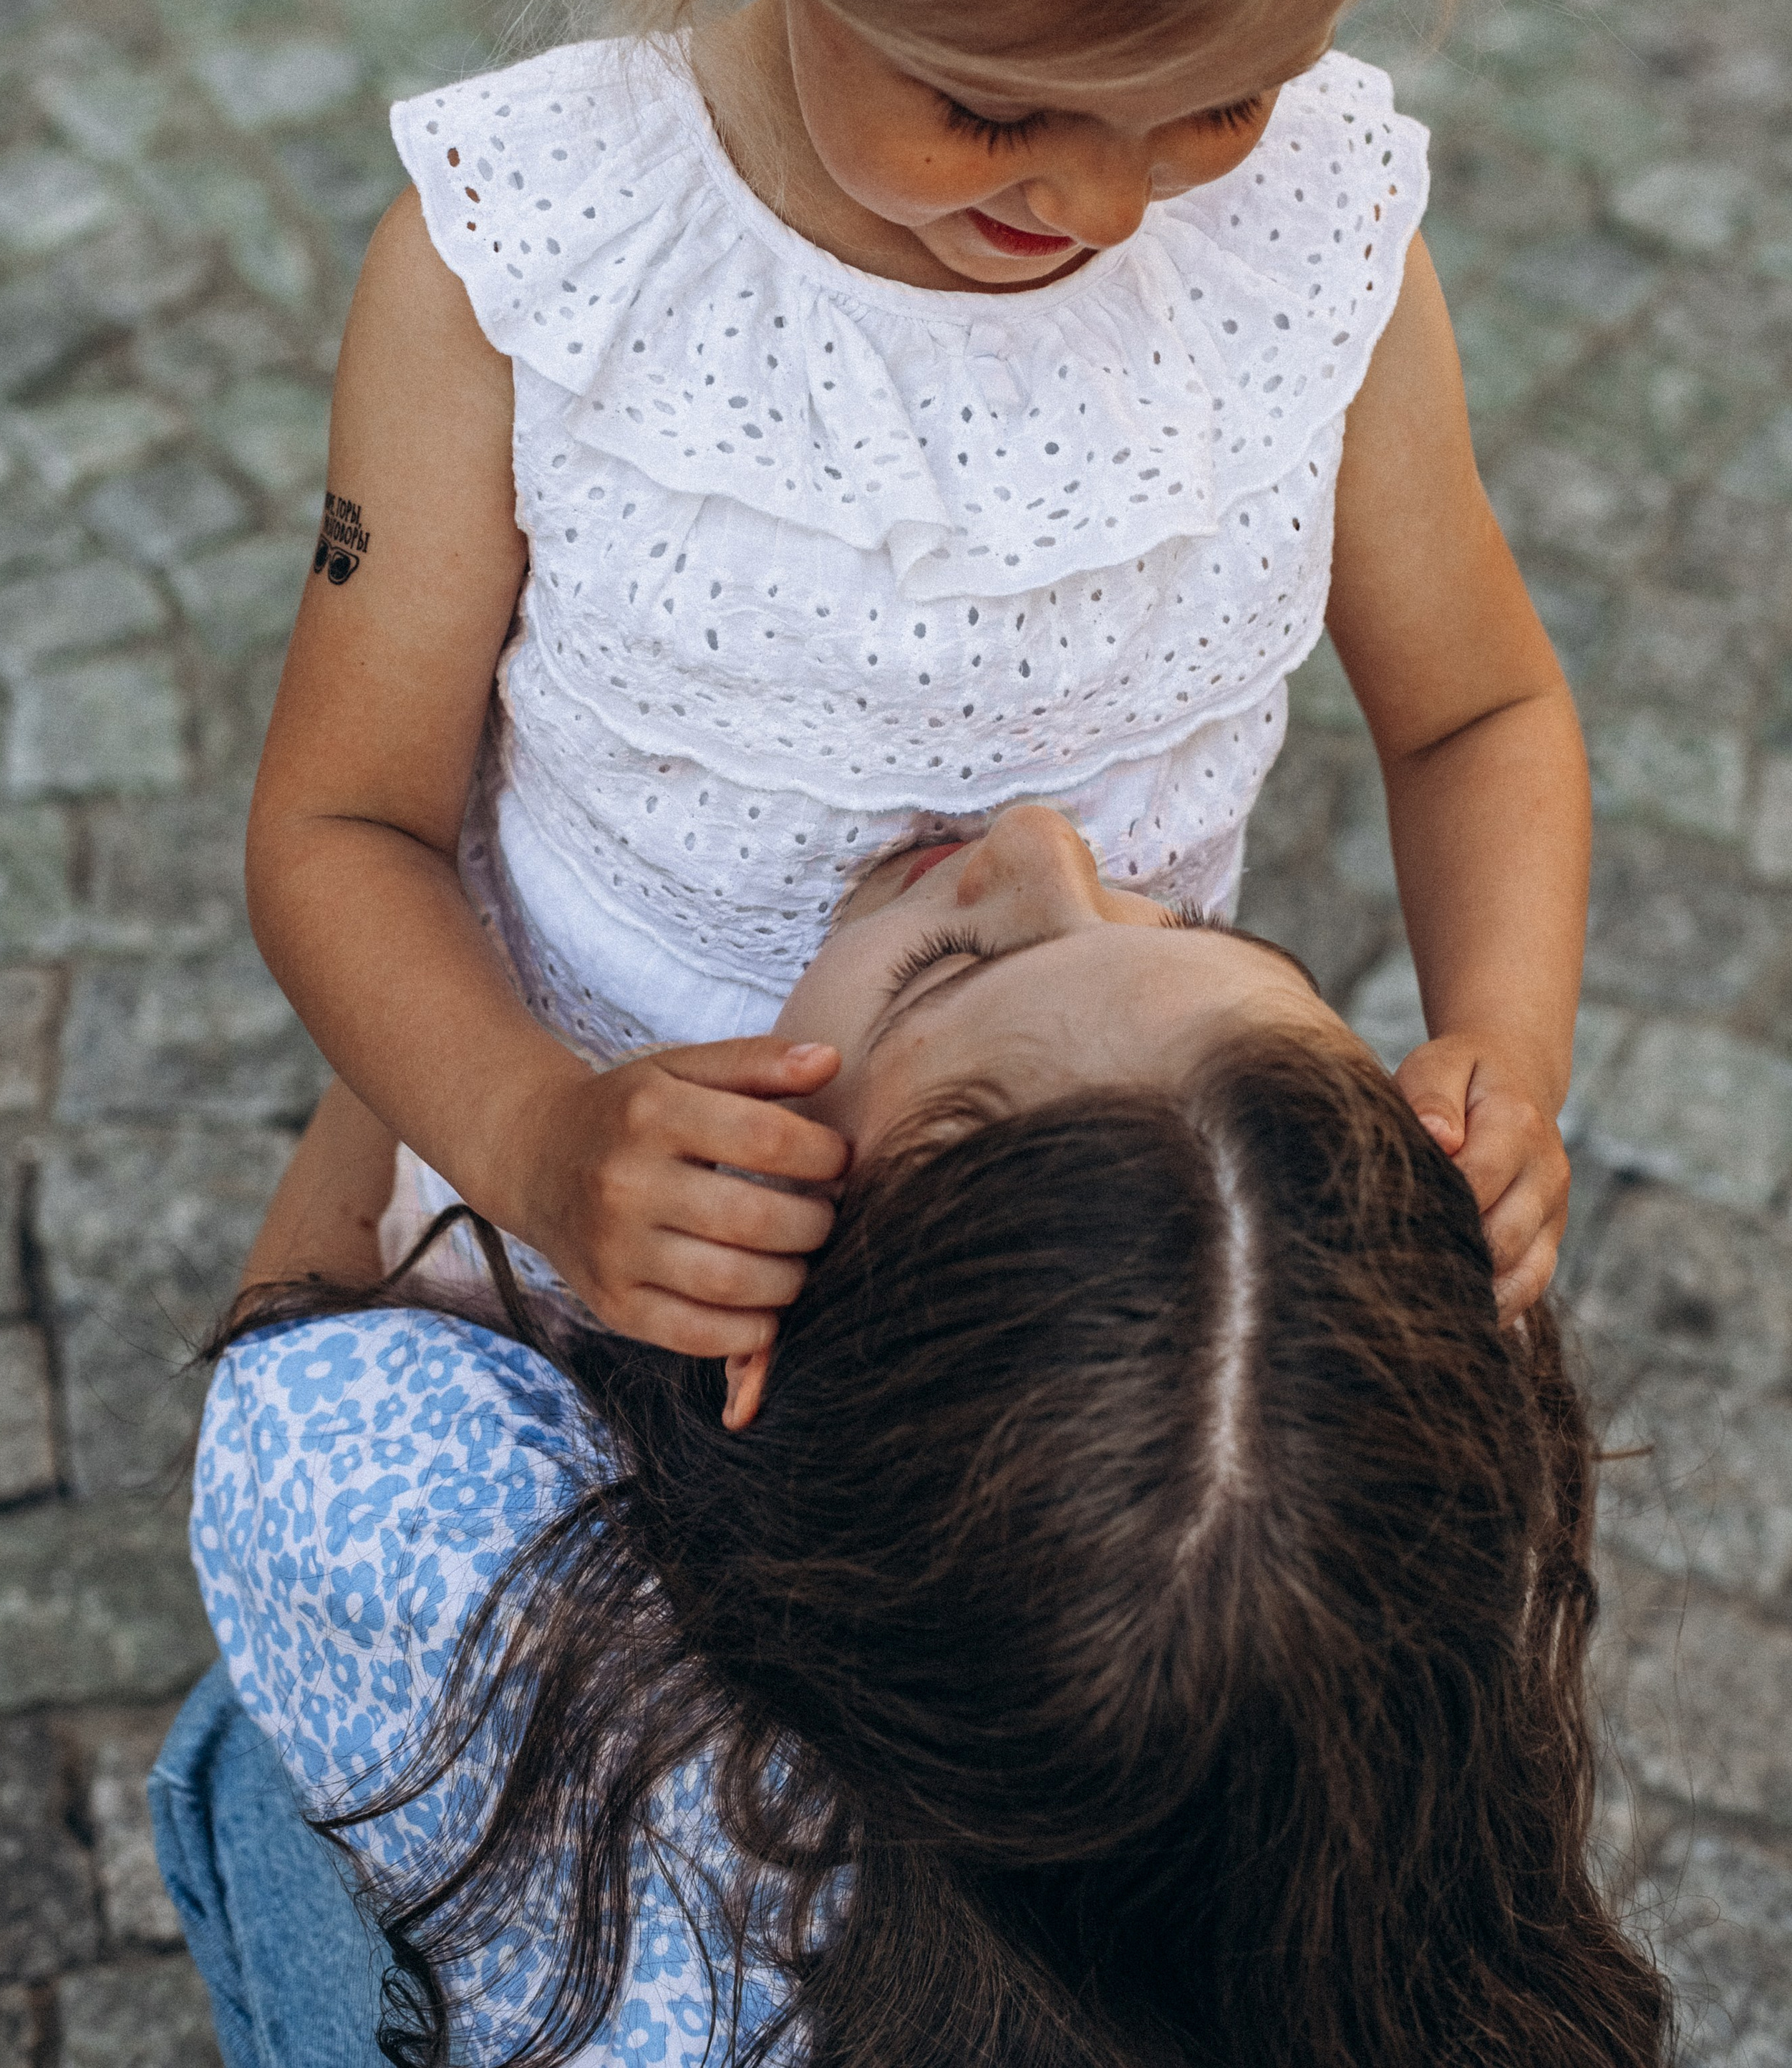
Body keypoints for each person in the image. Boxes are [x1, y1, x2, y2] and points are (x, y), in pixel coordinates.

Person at [245, 0, 1587, 1383]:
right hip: (585, 1215)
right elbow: (341, 831)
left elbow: (1478, 710)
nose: (1116, 204)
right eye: (993, 111)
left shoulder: (1308, 238)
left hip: (1040, 1313)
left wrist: (1501, 1044)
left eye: (1223, 96)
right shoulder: (535, 267)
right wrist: (536, 1134)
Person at [153, 808, 1670, 2068]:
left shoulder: (420, 1542)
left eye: (935, 975)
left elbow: (319, 1307)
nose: (1037, 841)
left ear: (755, 1347)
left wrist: (520, 963)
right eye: (1208, 933)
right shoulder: (1388, 1713)